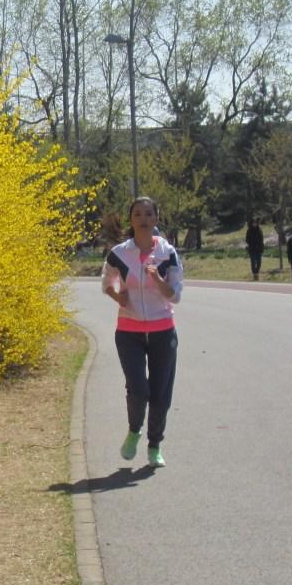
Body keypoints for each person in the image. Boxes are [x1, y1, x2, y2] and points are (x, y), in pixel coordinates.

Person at [101, 196, 183, 468]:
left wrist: (158, 281)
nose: (143, 218)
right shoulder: (120, 253)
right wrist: (118, 296)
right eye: (138, 214)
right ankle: (134, 431)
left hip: (163, 330)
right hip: (129, 332)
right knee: (138, 389)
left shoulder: (167, 253)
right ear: (132, 220)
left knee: (161, 392)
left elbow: (176, 294)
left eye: (148, 214)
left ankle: (155, 446)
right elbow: (107, 281)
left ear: (156, 219)